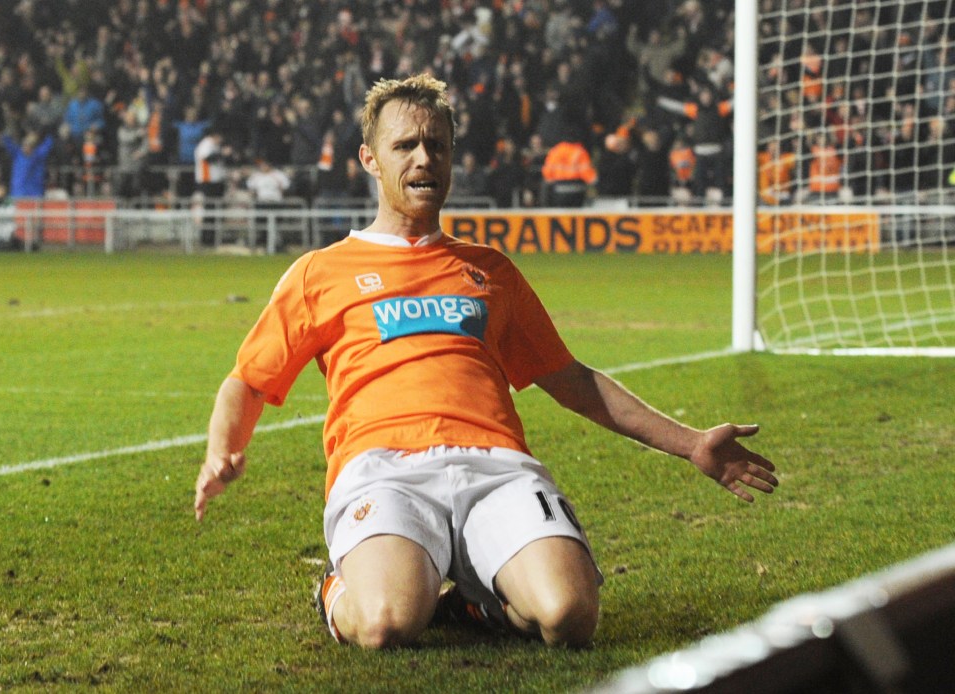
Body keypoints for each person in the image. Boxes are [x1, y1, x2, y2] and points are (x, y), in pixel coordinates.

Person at [193, 74, 777, 650]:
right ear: (370, 159)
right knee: (385, 625)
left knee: (569, 616)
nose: (424, 159)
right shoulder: (320, 272)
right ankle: (336, 588)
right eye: (405, 146)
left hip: (494, 467)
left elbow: (571, 380)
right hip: (383, 468)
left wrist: (691, 443)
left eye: (437, 146)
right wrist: (223, 450)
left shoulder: (490, 271)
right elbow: (247, 380)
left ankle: (475, 603)